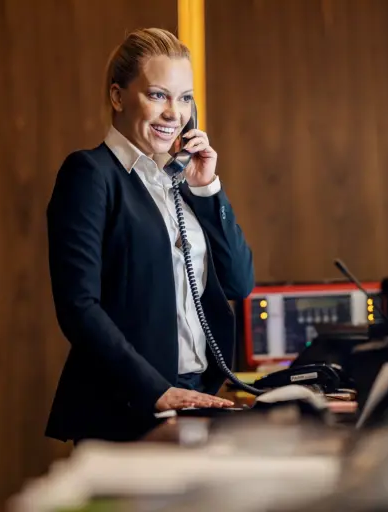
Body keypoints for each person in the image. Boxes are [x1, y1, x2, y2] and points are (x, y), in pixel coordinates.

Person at [45, 28, 256, 443]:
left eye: (184, 98)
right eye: (158, 95)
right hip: (127, 404)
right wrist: (155, 390)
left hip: (193, 395)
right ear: (118, 96)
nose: (174, 113)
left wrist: (206, 188)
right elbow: (78, 306)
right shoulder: (91, 175)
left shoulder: (180, 184)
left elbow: (239, 282)